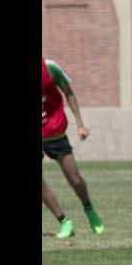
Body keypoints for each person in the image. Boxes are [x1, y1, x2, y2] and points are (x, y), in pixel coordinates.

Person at [42, 57, 104, 238]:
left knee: (74, 179)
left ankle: (89, 209)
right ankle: (64, 221)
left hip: (55, 131)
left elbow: (68, 92)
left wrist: (80, 124)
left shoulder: (49, 67)